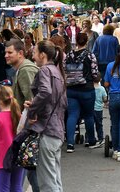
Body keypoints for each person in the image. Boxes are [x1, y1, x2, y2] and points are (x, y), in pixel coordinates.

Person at [24, 40, 67, 192]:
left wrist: (33, 109)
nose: (33, 56)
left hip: (47, 130)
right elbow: (60, 101)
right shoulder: (57, 71)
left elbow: (45, 92)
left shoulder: (44, 71)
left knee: (48, 182)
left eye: (35, 53)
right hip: (56, 129)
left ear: (42, 55)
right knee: (54, 179)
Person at [4, 39, 40, 191]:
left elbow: (33, 99)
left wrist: (30, 124)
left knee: (32, 169)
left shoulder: (25, 69)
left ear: (20, 53)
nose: (6, 55)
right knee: (30, 168)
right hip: (28, 125)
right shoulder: (21, 69)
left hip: (30, 126)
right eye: (5, 52)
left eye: (9, 52)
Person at [65, 33, 99, 152]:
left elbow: (64, 70)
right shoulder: (90, 56)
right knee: (89, 115)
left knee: (72, 115)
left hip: (71, 89)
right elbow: (95, 73)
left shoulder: (68, 55)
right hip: (86, 89)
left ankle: (70, 143)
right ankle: (91, 140)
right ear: (87, 41)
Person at [0, 86, 24, 192]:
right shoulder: (19, 116)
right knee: (17, 186)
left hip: (2, 159)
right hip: (18, 156)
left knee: (4, 189)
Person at [93, 74, 107, 146]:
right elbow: (104, 98)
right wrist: (105, 102)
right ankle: (100, 138)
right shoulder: (102, 89)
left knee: (90, 124)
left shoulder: (91, 88)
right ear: (100, 79)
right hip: (98, 109)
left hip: (91, 108)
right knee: (99, 124)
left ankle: (88, 138)